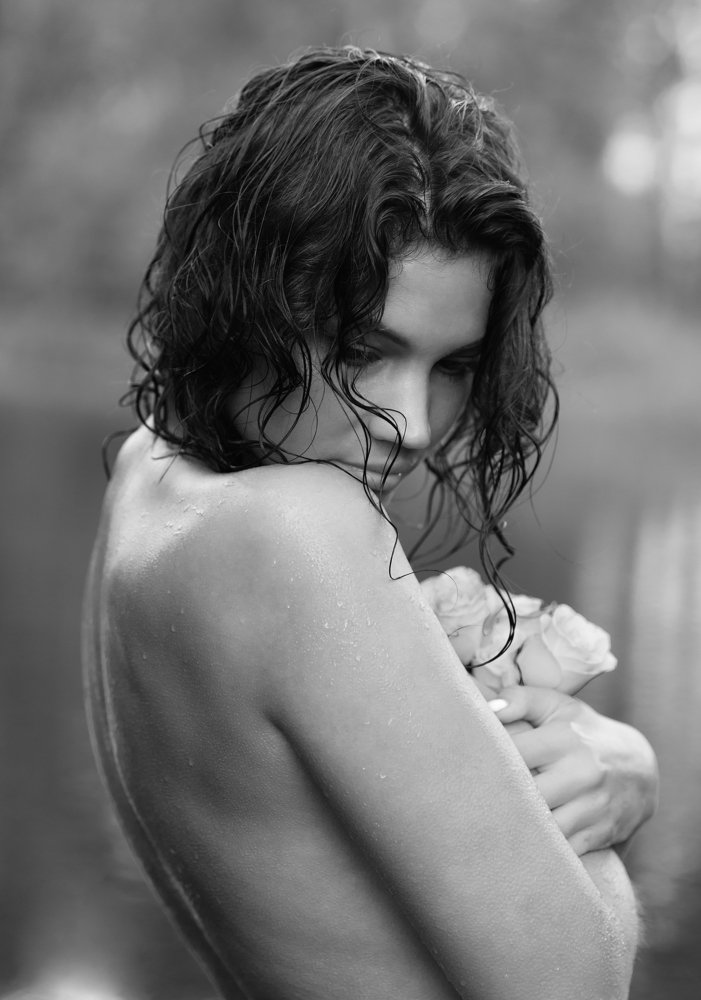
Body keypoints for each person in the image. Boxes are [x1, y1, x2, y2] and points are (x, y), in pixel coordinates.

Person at [83, 46, 658, 999]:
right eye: (362, 350)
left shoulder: (148, 473)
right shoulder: (301, 531)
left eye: (452, 366)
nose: (417, 426)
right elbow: (577, 982)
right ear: (253, 303)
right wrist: (613, 787)